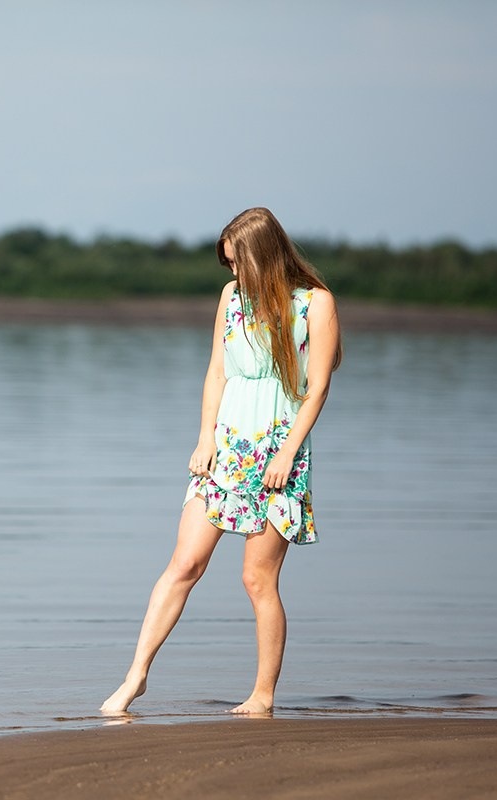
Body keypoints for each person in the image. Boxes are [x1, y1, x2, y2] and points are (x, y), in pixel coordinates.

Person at [101, 207, 343, 716]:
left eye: (239, 263)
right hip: (227, 445)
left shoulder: (314, 303)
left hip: (280, 448)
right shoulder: (232, 297)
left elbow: (317, 386)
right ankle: (135, 675)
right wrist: (204, 439)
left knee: (257, 580)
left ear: (262, 257)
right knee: (184, 563)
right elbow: (216, 372)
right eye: (229, 265)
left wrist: (287, 452)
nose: (233, 274)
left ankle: (262, 695)